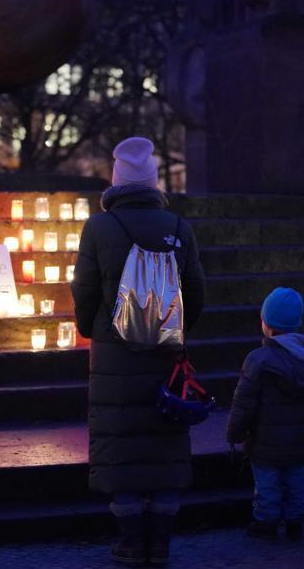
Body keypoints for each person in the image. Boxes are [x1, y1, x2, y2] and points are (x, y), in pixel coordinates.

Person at [72, 136, 205, 565]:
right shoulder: (178, 227)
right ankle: (161, 541)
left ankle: (130, 541)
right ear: (153, 182)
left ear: (116, 181)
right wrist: (174, 330)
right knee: (165, 438)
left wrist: (89, 327)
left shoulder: (99, 227)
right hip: (165, 353)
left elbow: (85, 288)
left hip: (113, 352)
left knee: (120, 441)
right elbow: (196, 292)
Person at [226, 287, 304, 541]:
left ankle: (266, 521)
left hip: (264, 440)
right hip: (299, 438)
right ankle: (296, 519)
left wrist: (234, 432)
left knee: (267, 482)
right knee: (297, 477)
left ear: (266, 323)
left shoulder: (258, 360)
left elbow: (243, 403)